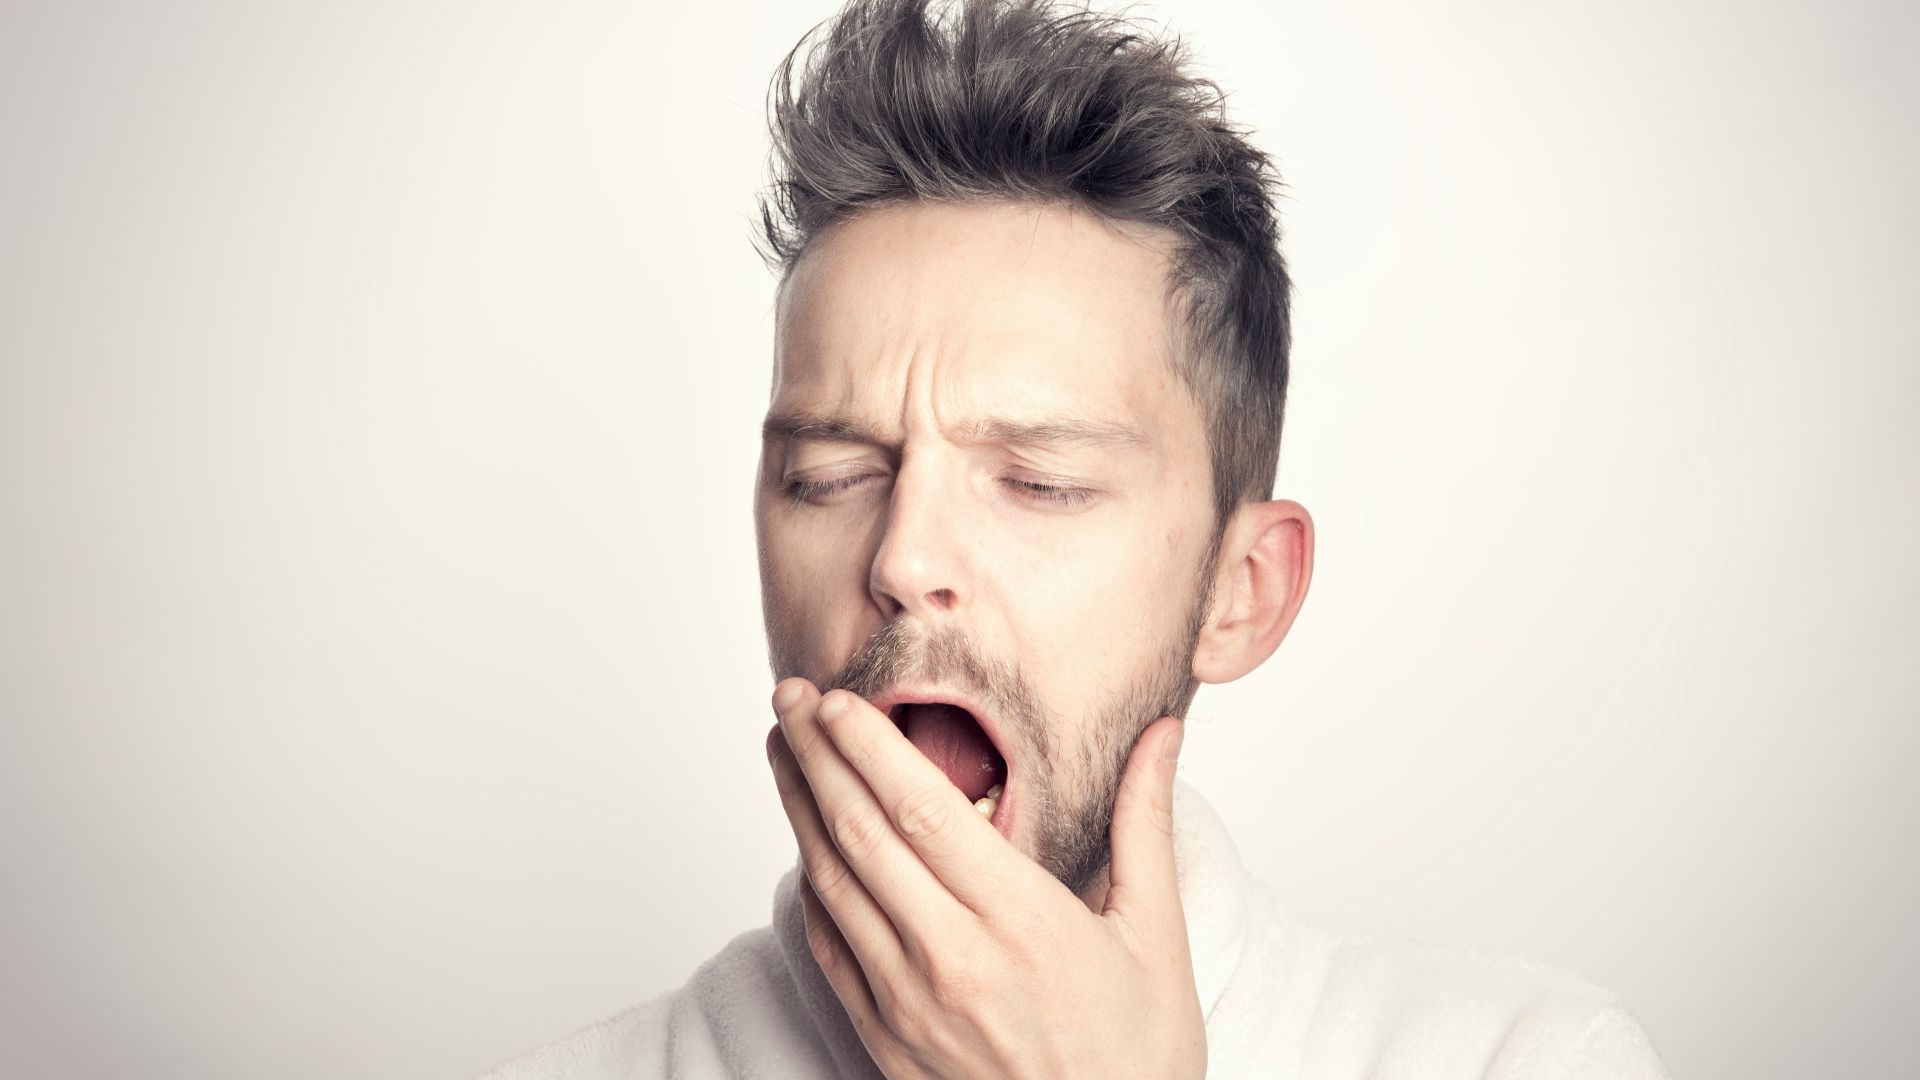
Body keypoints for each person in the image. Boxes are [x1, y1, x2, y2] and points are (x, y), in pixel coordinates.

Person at [484, 0, 1670, 1076]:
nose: (902, 560)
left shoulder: (1530, 1061)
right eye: (829, 475)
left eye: (1038, 482)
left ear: (1238, 594)